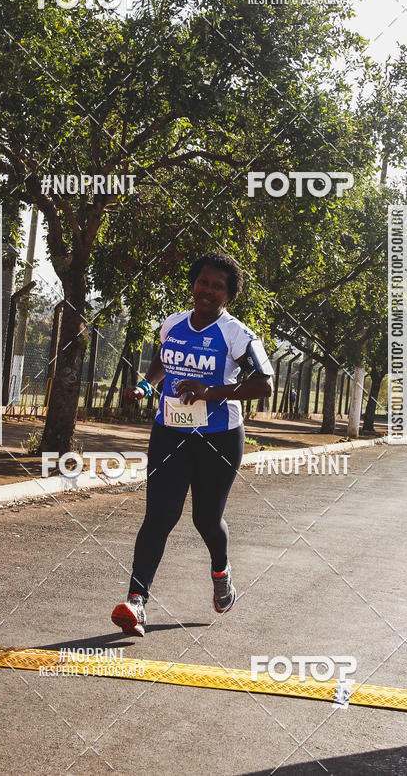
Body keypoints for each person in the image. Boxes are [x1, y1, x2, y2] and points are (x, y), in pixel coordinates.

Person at [111, 252, 273, 637]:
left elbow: (264, 383)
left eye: (218, 286)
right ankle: (136, 602)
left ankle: (221, 571)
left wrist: (209, 392)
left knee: (206, 519)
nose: (208, 291)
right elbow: (162, 360)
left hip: (218, 439)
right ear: (193, 284)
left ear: (228, 296)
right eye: (203, 282)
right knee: (160, 515)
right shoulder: (172, 324)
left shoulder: (238, 335)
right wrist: (146, 385)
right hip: (170, 431)